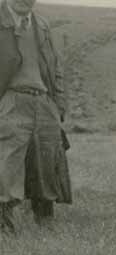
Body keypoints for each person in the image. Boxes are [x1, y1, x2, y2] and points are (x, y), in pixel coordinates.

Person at [0, 0, 71, 233]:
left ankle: (45, 225)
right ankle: (4, 227)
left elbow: (55, 67)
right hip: (11, 100)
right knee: (7, 162)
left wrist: (58, 104)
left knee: (48, 162)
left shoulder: (42, 25)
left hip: (44, 102)